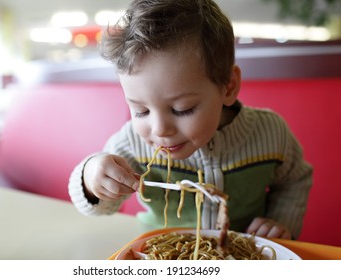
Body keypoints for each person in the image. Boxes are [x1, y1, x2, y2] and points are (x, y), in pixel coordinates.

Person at [69, 0, 312, 240]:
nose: (160, 129)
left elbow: (295, 180)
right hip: (161, 253)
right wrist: (92, 179)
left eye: (182, 109)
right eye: (141, 111)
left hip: (242, 255)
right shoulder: (133, 143)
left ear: (228, 86)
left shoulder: (270, 133)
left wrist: (280, 221)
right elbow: (102, 206)